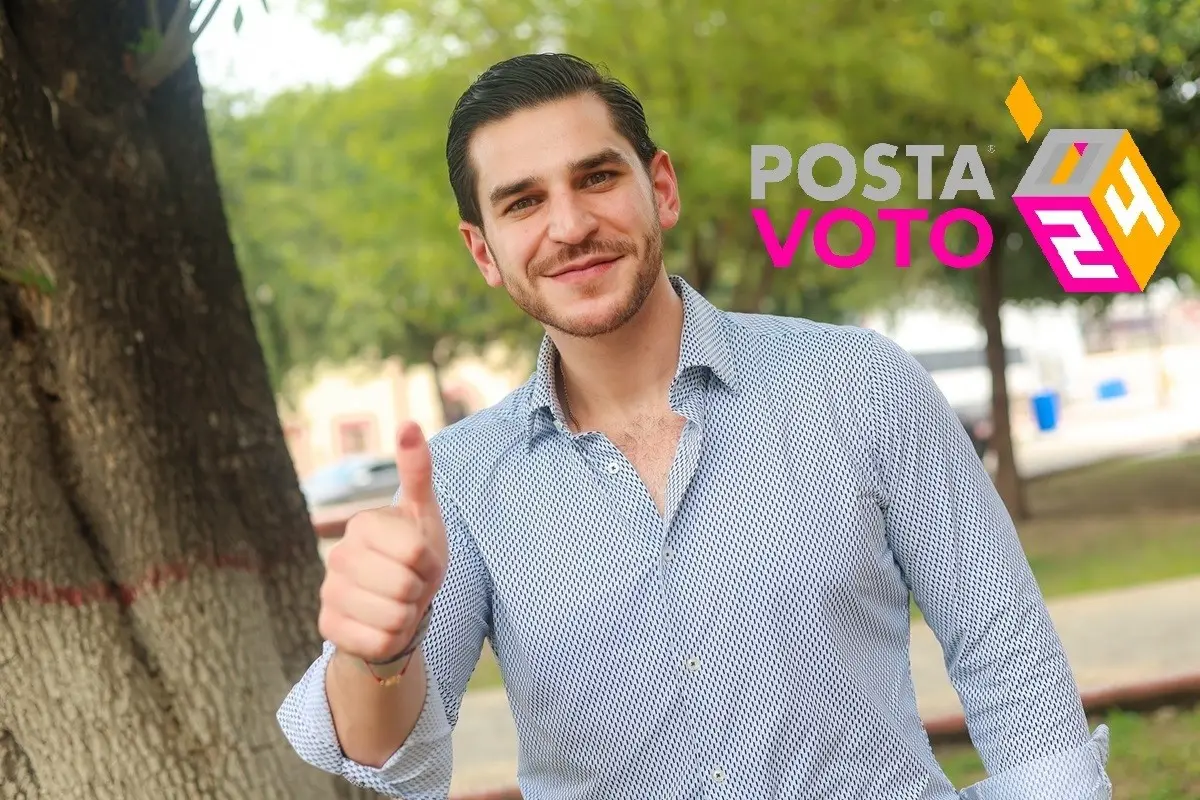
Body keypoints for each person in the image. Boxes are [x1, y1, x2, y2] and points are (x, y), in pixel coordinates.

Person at [277, 53, 1111, 800]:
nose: (569, 226)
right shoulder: (460, 481)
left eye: (596, 178)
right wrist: (372, 657)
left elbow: (1011, 666)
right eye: (523, 202)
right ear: (484, 250)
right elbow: (399, 761)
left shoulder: (861, 385)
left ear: (661, 188)